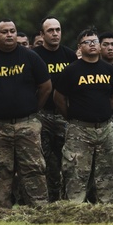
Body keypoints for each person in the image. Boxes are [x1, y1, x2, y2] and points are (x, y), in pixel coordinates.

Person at [0, 19, 50, 209]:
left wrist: (32, 109)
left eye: (12, 31)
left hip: (27, 124)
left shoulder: (30, 57)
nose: (9, 35)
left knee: (34, 169)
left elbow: (46, 87)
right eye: (4, 32)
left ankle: (40, 212)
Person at [54, 27, 113, 204]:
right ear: (79, 46)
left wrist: (104, 112)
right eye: (87, 42)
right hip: (79, 130)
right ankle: (75, 211)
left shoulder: (110, 70)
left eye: (95, 42)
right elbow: (58, 97)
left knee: (107, 173)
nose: (92, 45)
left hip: (105, 128)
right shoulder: (71, 71)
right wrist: (71, 117)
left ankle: (107, 211)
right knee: (76, 173)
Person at [37, 16, 76, 200]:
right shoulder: (34, 56)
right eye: (50, 30)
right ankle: (45, 201)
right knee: (42, 161)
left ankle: (67, 200)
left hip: (63, 114)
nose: (55, 34)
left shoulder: (69, 56)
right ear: (42, 34)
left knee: (68, 160)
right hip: (41, 114)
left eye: (57, 30)